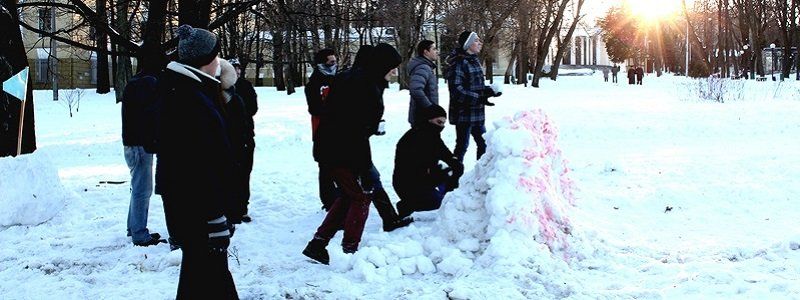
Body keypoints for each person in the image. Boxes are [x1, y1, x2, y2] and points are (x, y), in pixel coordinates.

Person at [154, 24, 238, 299]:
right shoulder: (190, 100)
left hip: (191, 209)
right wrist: (214, 217)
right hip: (199, 211)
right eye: (216, 55)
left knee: (198, 276)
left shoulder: (187, 89)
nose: (220, 60)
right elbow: (197, 166)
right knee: (209, 276)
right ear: (205, 59)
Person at [303, 43, 402, 264]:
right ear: (382, 65)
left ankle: (318, 244)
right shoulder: (365, 85)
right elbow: (352, 129)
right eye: (393, 67)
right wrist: (364, 166)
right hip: (341, 150)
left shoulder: (358, 79)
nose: (395, 72)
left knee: (349, 195)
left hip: (333, 147)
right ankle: (350, 252)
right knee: (361, 196)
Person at [393, 105, 463, 218]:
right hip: (407, 183)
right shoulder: (413, 138)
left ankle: (448, 199)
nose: (441, 126)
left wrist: (456, 165)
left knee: (452, 175)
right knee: (437, 202)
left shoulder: (433, 136)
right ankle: (407, 205)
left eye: (443, 123)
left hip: (425, 178)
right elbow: (413, 168)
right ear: (429, 119)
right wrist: (435, 175)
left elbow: (447, 155)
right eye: (438, 122)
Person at [120, 68, 164, 247]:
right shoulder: (148, 85)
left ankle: (134, 228)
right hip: (140, 145)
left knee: (138, 187)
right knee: (142, 190)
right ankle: (139, 233)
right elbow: (152, 115)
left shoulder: (135, 83)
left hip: (133, 144)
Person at [446, 31, 501, 163]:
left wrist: (490, 91)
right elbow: (456, 90)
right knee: (462, 147)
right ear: (468, 44)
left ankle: (479, 174)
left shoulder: (474, 60)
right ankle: (454, 176)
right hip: (463, 114)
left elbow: (476, 85)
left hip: (477, 113)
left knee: (484, 144)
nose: (479, 43)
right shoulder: (459, 63)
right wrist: (479, 98)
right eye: (476, 40)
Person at [305, 49, 338, 211]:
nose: (334, 65)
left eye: (335, 61)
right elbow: (314, 107)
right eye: (331, 62)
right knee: (325, 168)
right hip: (321, 131)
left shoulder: (339, 79)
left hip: (339, 130)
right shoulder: (314, 83)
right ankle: (328, 200)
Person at [227, 58, 258, 223]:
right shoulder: (220, 86)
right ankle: (229, 207)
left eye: (238, 68)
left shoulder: (245, 86)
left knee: (244, 173)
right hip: (228, 137)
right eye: (233, 68)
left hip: (245, 135)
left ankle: (241, 208)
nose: (236, 71)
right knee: (229, 173)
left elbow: (253, 108)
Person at [407, 40, 439, 125]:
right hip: (423, 118)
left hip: (426, 117)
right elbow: (415, 90)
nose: (437, 52)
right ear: (426, 52)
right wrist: (429, 107)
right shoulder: (423, 68)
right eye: (434, 49)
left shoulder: (426, 67)